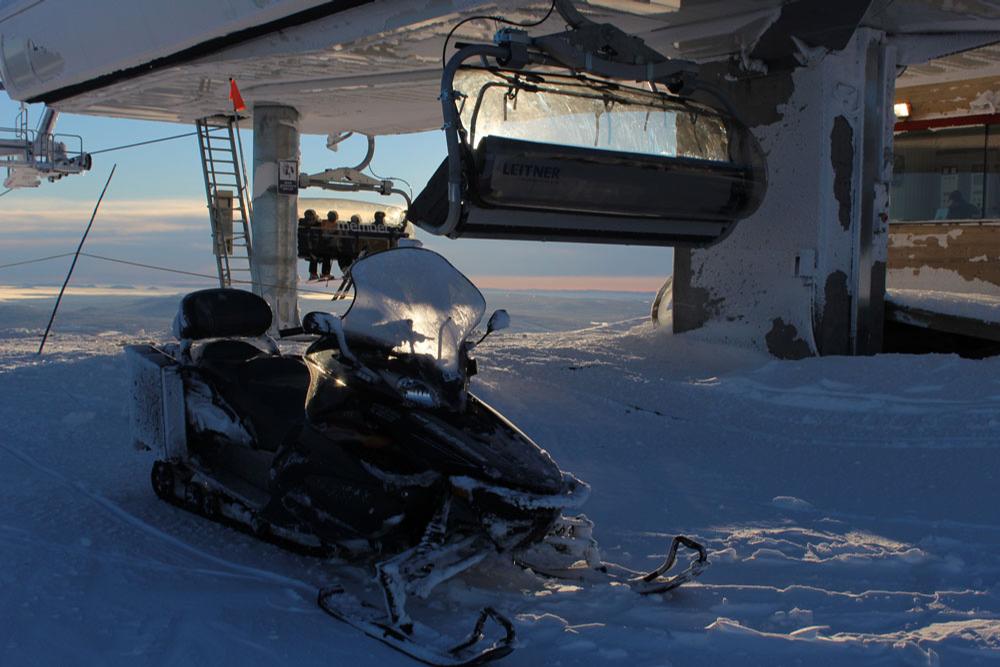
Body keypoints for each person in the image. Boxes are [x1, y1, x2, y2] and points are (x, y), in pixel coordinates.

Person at [299, 209, 321, 280]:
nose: (310, 220)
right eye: (308, 218)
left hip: (316, 248)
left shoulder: (318, 225)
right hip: (305, 248)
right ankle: (313, 274)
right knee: (313, 256)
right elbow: (304, 240)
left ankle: (323, 273)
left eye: (312, 218)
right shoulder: (302, 225)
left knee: (320, 254)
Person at [317, 210, 339, 279]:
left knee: (326, 255)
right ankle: (326, 273)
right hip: (326, 247)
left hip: (323, 247)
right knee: (327, 255)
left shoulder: (323, 223)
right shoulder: (335, 225)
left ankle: (325, 273)